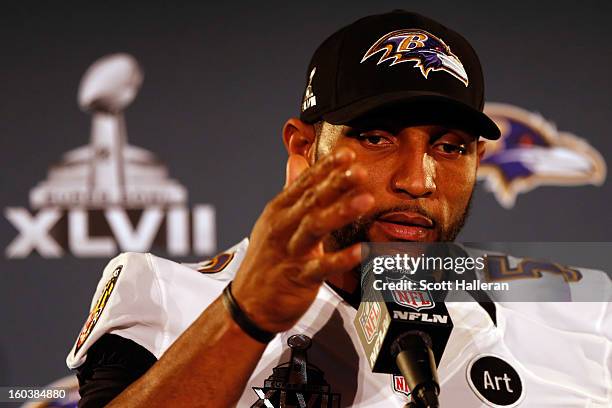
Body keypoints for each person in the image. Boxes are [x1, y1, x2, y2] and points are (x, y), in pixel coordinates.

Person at [66, 10, 611, 408]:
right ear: (304, 148)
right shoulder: (170, 296)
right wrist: (244, 318)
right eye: (377, 138)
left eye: (449, 147)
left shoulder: (584, 313)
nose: (418, 179)